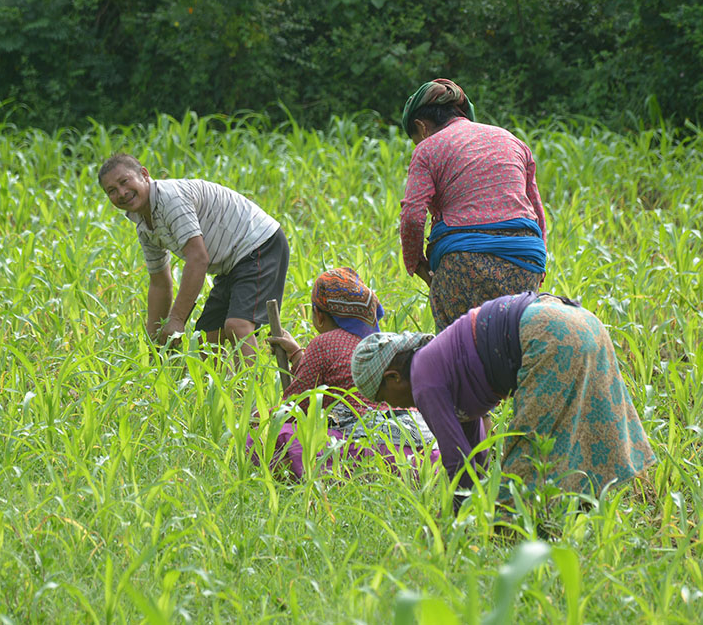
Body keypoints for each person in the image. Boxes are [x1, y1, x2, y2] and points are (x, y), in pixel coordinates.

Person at [351, 292, 654, 509]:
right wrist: (476, 497)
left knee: (529, 455)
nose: (392, 407)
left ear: (393, 377)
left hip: (550, 333)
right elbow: (473, 456)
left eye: (384, 399)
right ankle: (584, 506)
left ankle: (527, 532)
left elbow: (456, 459)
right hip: (581, 321)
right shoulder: (442, 365)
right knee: (580, 427)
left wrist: (462, 521)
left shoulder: (423, 379)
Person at [97, 153, 288, 362]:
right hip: (231, 263)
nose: (122, 193)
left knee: (237, 325)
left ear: (144, 174)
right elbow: (160, 283)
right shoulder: (144, 225)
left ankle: (254, 391)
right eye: (112, 191)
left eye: (124, 182)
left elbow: (198, 259)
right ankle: (220, 392)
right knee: (206, 337)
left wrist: (177, 319)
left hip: (259, 245)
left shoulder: (169, 199)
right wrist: (154, 345)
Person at [249, 267, 436, 479]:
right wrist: (297, 354)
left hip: (370, 445)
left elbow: (296, 407)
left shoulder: (324, 343)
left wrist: (260, 417)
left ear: (319, 316)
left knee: (267, 437)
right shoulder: (381, 343)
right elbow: (335, 382)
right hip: (418, 443)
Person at [399, 78, 548, 331]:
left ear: (420, 127)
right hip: (525, 260)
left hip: (463, 262)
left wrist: (417, 265)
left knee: (458, 357)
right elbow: (537, 213)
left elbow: (412, 217)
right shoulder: (512, 140)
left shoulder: (428, 148)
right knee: (511, 350)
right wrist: (539, 263)